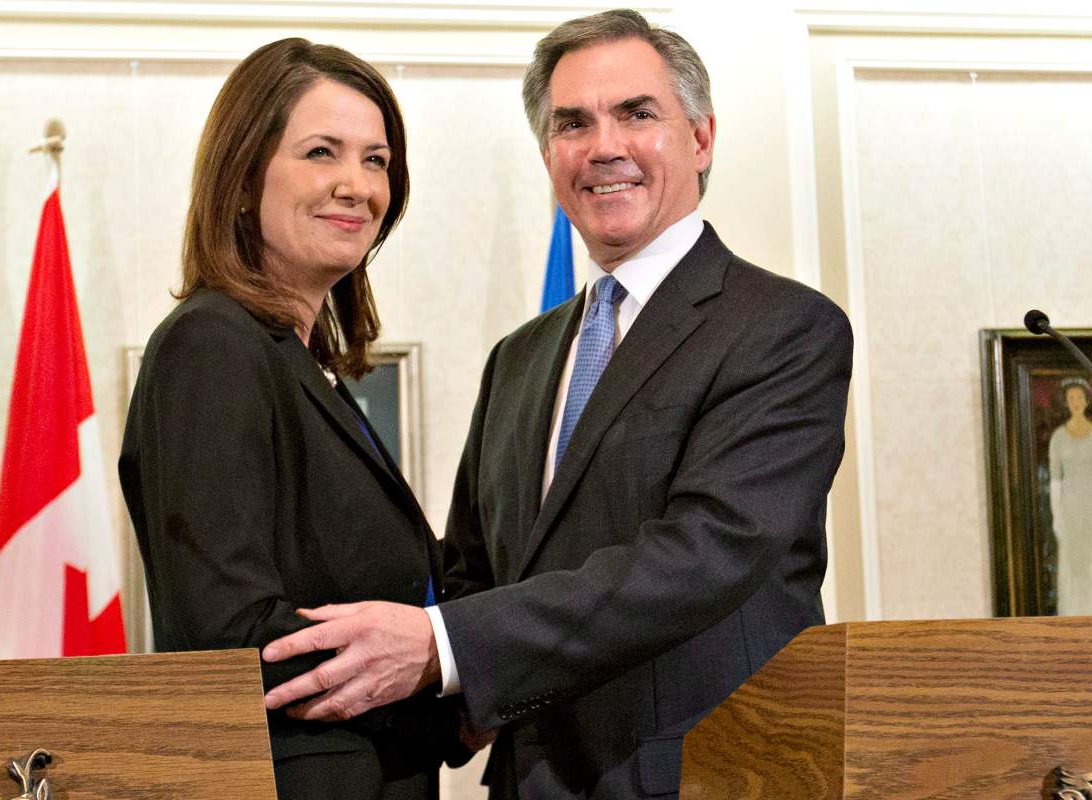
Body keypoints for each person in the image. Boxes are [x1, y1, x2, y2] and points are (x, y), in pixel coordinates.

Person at [260, 10, 853, 799]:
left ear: (702, 138)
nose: (604, 145)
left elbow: (704, 555)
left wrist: (441, 644)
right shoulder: (521, 358)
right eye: (572, 123)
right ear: (549, 156)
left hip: (710, 779)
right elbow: (477, 571)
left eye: (637, 114)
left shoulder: (784, 329)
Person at [118, 37, 463, 800]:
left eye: (376, 161)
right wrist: (450, 707)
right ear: (242, 179)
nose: (357, 185)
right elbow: (232, 633)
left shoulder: (307, 368)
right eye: (321, 152)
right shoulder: (210, 345)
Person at [1050, 380, 1092, 614]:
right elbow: (1055, 480)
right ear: (1066, 403)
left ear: (1086, 400)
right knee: (1073, 561)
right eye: (1071, 398)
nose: (1075, 402)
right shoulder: (1058, 437)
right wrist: (1058, 517)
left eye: (1079, 397)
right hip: (1070, 507)